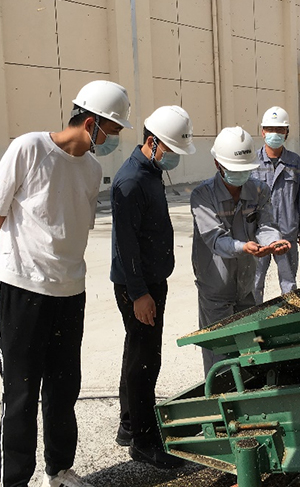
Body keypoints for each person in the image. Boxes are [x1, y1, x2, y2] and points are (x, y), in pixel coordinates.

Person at [0, 80, 132, 487]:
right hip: (21, 290)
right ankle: (15, 481)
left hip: (69, 291)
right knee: (21, 392)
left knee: (64, 390)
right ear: (90, 123)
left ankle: (59, 471)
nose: (112, 140)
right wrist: (12, 258)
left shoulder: (92, 169)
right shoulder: (29, 148)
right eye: (111, 131)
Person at [110, 106, 196, 469]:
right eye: (171, 150)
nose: (174, 157)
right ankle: (144, 442)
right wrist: (140, 294)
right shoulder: (131, 181)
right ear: (152, 142)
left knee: (136, 352)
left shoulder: (150, 172)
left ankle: (130, 425)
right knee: (146, 361)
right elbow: (126, 245)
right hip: (139, 286)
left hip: (149, 281)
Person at [191, 126, 292, 374]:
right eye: (235, 170)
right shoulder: (202, 196)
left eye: (245, 170)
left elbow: (266, 225)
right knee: (221, 361)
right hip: (215, 290)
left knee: (249, 357)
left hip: (246, 287)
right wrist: (243, 247)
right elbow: (215, 239)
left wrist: (273, 242)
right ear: (218, 164)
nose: (240, 175)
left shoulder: (259, 190)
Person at [251, 106, 300, 304]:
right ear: (262, 132)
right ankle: (255, 318)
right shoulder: (252, 162)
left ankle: (289, 314)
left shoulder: (294, 161)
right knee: (255, 282)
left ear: (286, 132)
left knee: (288, 282)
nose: (274, 134)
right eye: (270, 129)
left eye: (279, 129)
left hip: (287, 233)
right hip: (259, 234)